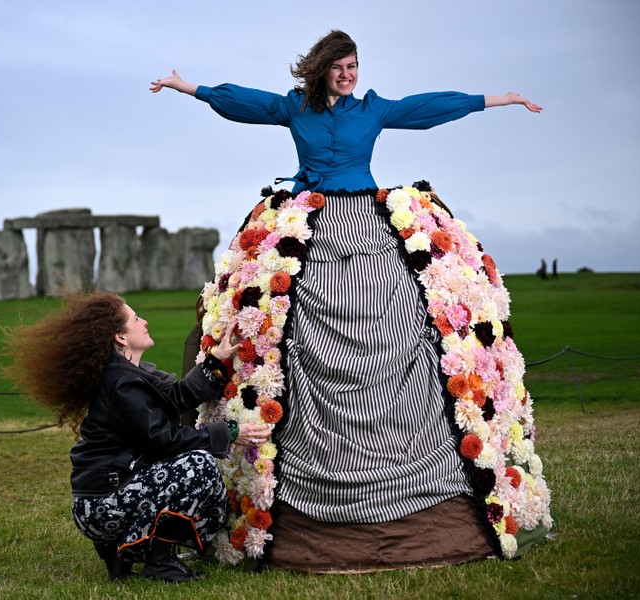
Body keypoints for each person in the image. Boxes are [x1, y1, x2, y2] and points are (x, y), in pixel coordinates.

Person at [149, 30, 552, 572]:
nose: (347, 75)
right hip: (311, 223)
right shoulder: (296, 108)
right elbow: (242, 101)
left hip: (369, 222)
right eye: (339, 67)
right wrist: (187, 87)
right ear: (321, 70)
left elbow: (428, 108)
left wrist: (497, 99)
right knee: (287, 325)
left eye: (353, 66)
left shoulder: (373, 109)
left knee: (405, 318)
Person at [0, 292, 271, 582]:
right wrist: (229, 433)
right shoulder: (121, 383)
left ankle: (119, 553)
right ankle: (158, 562)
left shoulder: (129, 373)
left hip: (104, 497)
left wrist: (215, 360)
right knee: (198, 466)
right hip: (101, 506)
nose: (144, 322)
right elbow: (165, 439)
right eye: (135, 319)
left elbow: (175, 397)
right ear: (121, 337)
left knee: (207, 492)